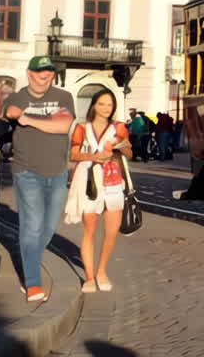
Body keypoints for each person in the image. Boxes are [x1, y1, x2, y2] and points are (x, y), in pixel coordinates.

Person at [0, 56, 75, 302]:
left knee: (49, 227)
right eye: (40, 71)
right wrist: (15, 114)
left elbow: (62, 126)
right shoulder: (18, 97)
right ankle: (32, 282)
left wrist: (27, 119)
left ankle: (30, 257)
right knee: (32, 225)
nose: (45, 75)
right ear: (30, 73)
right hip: (27, 171)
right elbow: (9, 111)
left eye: (49, 71)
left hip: (58, 171)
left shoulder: (64, 97)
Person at [68, 88, 132, 293]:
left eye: (109, 105)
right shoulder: (81, 128)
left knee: (112, 231)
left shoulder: (119, 127)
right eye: (102, 104)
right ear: (94, 105)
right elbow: (73, 154)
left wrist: (120, 145)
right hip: (89, 181)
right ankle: (89, 277)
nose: (106, 108)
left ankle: (101, 270)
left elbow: (129, 153)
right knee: (90, 230)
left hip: (113, 181)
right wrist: (94, 157)